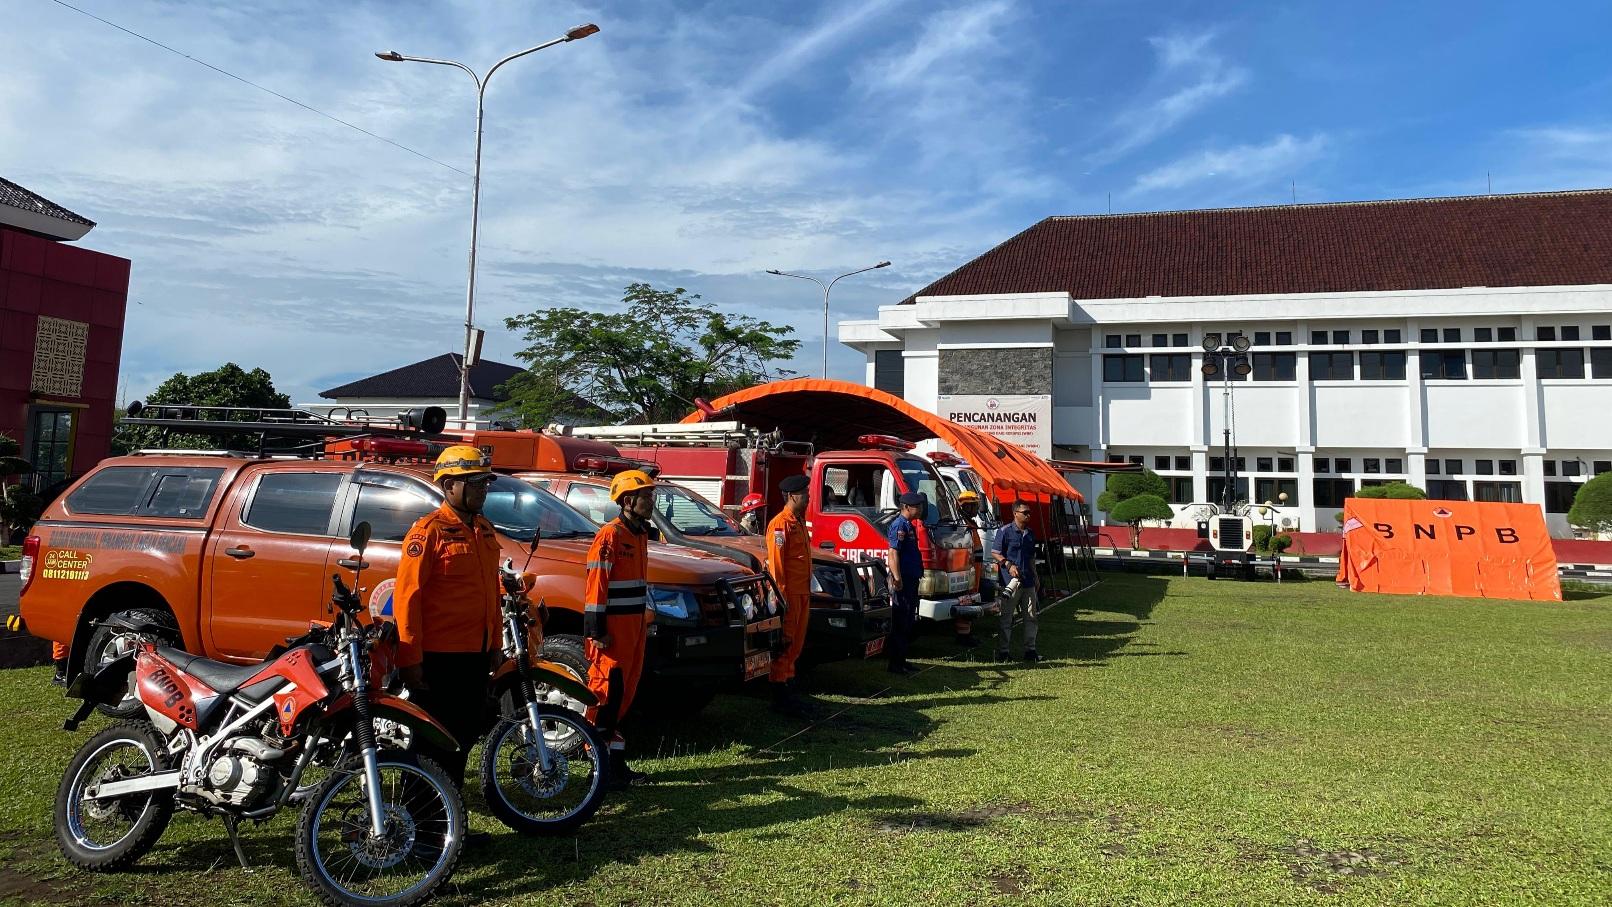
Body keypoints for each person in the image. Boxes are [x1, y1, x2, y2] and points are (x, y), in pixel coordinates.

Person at [393, 446, 503, 788]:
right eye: (475, 483)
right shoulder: (429, 532)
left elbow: (491, 594)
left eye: (485, 483)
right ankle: (422, 824)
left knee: (463, 737)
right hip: (439, 659)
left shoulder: (484, 529)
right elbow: (407, 597)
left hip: (475, 654)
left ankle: (448, 820)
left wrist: (495, 644)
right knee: (432, 743)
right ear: (449, 486)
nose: (483, 490)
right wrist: (410, 659)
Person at [584, 468, 656, 788]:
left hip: (634, 629)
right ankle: (599, 768)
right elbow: (595, 586)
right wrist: (596, 630)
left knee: (624, 696)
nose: (651, 502)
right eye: (646, 497)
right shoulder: (610, 536)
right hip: (612, 633)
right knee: (607, 697)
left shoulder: (639, 534)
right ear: (628, 501)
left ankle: (615, 766)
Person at [765, 474, 814, 716]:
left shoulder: (799, 522)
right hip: (789, 596)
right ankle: (779, 695)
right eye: (804, 494)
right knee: (785, 644)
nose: (808, 497)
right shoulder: (780, 524)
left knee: (796, 644)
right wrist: (782, 601)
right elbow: (777, 568)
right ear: (792, 496)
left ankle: (789, 688)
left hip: (802, 593)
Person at [885, 491, 926, 675]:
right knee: (901, 621)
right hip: (903, 581)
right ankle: (895, 664)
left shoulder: (908, 525)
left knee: (908, 620)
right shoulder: (899, 525)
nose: (920, 509)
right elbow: (893, 553)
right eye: (917, 506)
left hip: (911, 580)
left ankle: (902, 660)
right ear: (906, 507)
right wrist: (897, 578)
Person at [993, 503, 1040, 662]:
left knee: (1031, 616)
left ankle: (1030, 651)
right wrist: (1008, 564)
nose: (1028, 515)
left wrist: (1036, 576)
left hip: (1028, 582)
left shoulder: (1030, 533)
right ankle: (1004, 652)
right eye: (1025, 512)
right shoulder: (1004, 531)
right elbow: (995, 552)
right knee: (1007, 618)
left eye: (1029, 512)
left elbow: (1032, 557)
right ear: (1015, 513)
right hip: (1010, 583)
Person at [953, 491, 984, 649]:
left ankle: (967, 633)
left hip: (975, 569)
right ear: (964, 506)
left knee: (970, 599)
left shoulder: (969, 523)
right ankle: (963, 636)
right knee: (966, 601)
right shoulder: (962, 525)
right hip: (968, 569)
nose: (976, 509)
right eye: (974, 505)